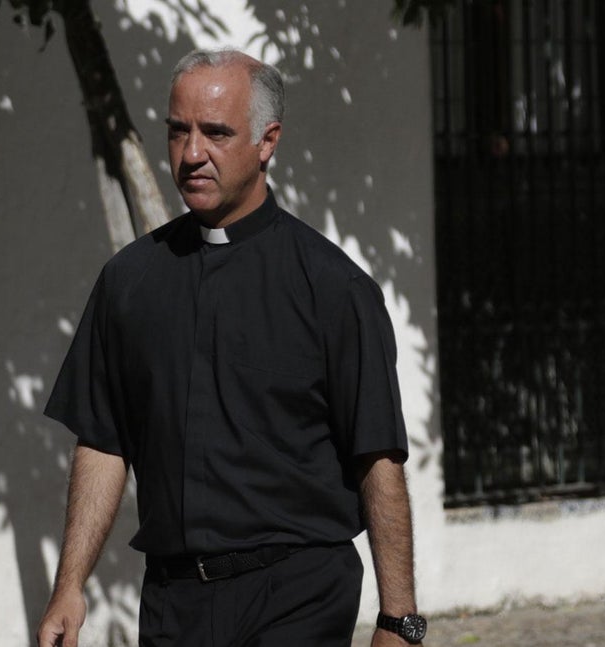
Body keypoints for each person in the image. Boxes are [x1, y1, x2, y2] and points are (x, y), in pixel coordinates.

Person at [36, 48, 426, 647]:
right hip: (173, 604)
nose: (192, 153)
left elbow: (377, 456)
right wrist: (70, 585)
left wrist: (400, 621)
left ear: (268, 142)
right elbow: (103, 441)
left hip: (297, 593)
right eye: (178, 131)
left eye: (216, 133)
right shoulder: (129, 281)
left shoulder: (332, 287)